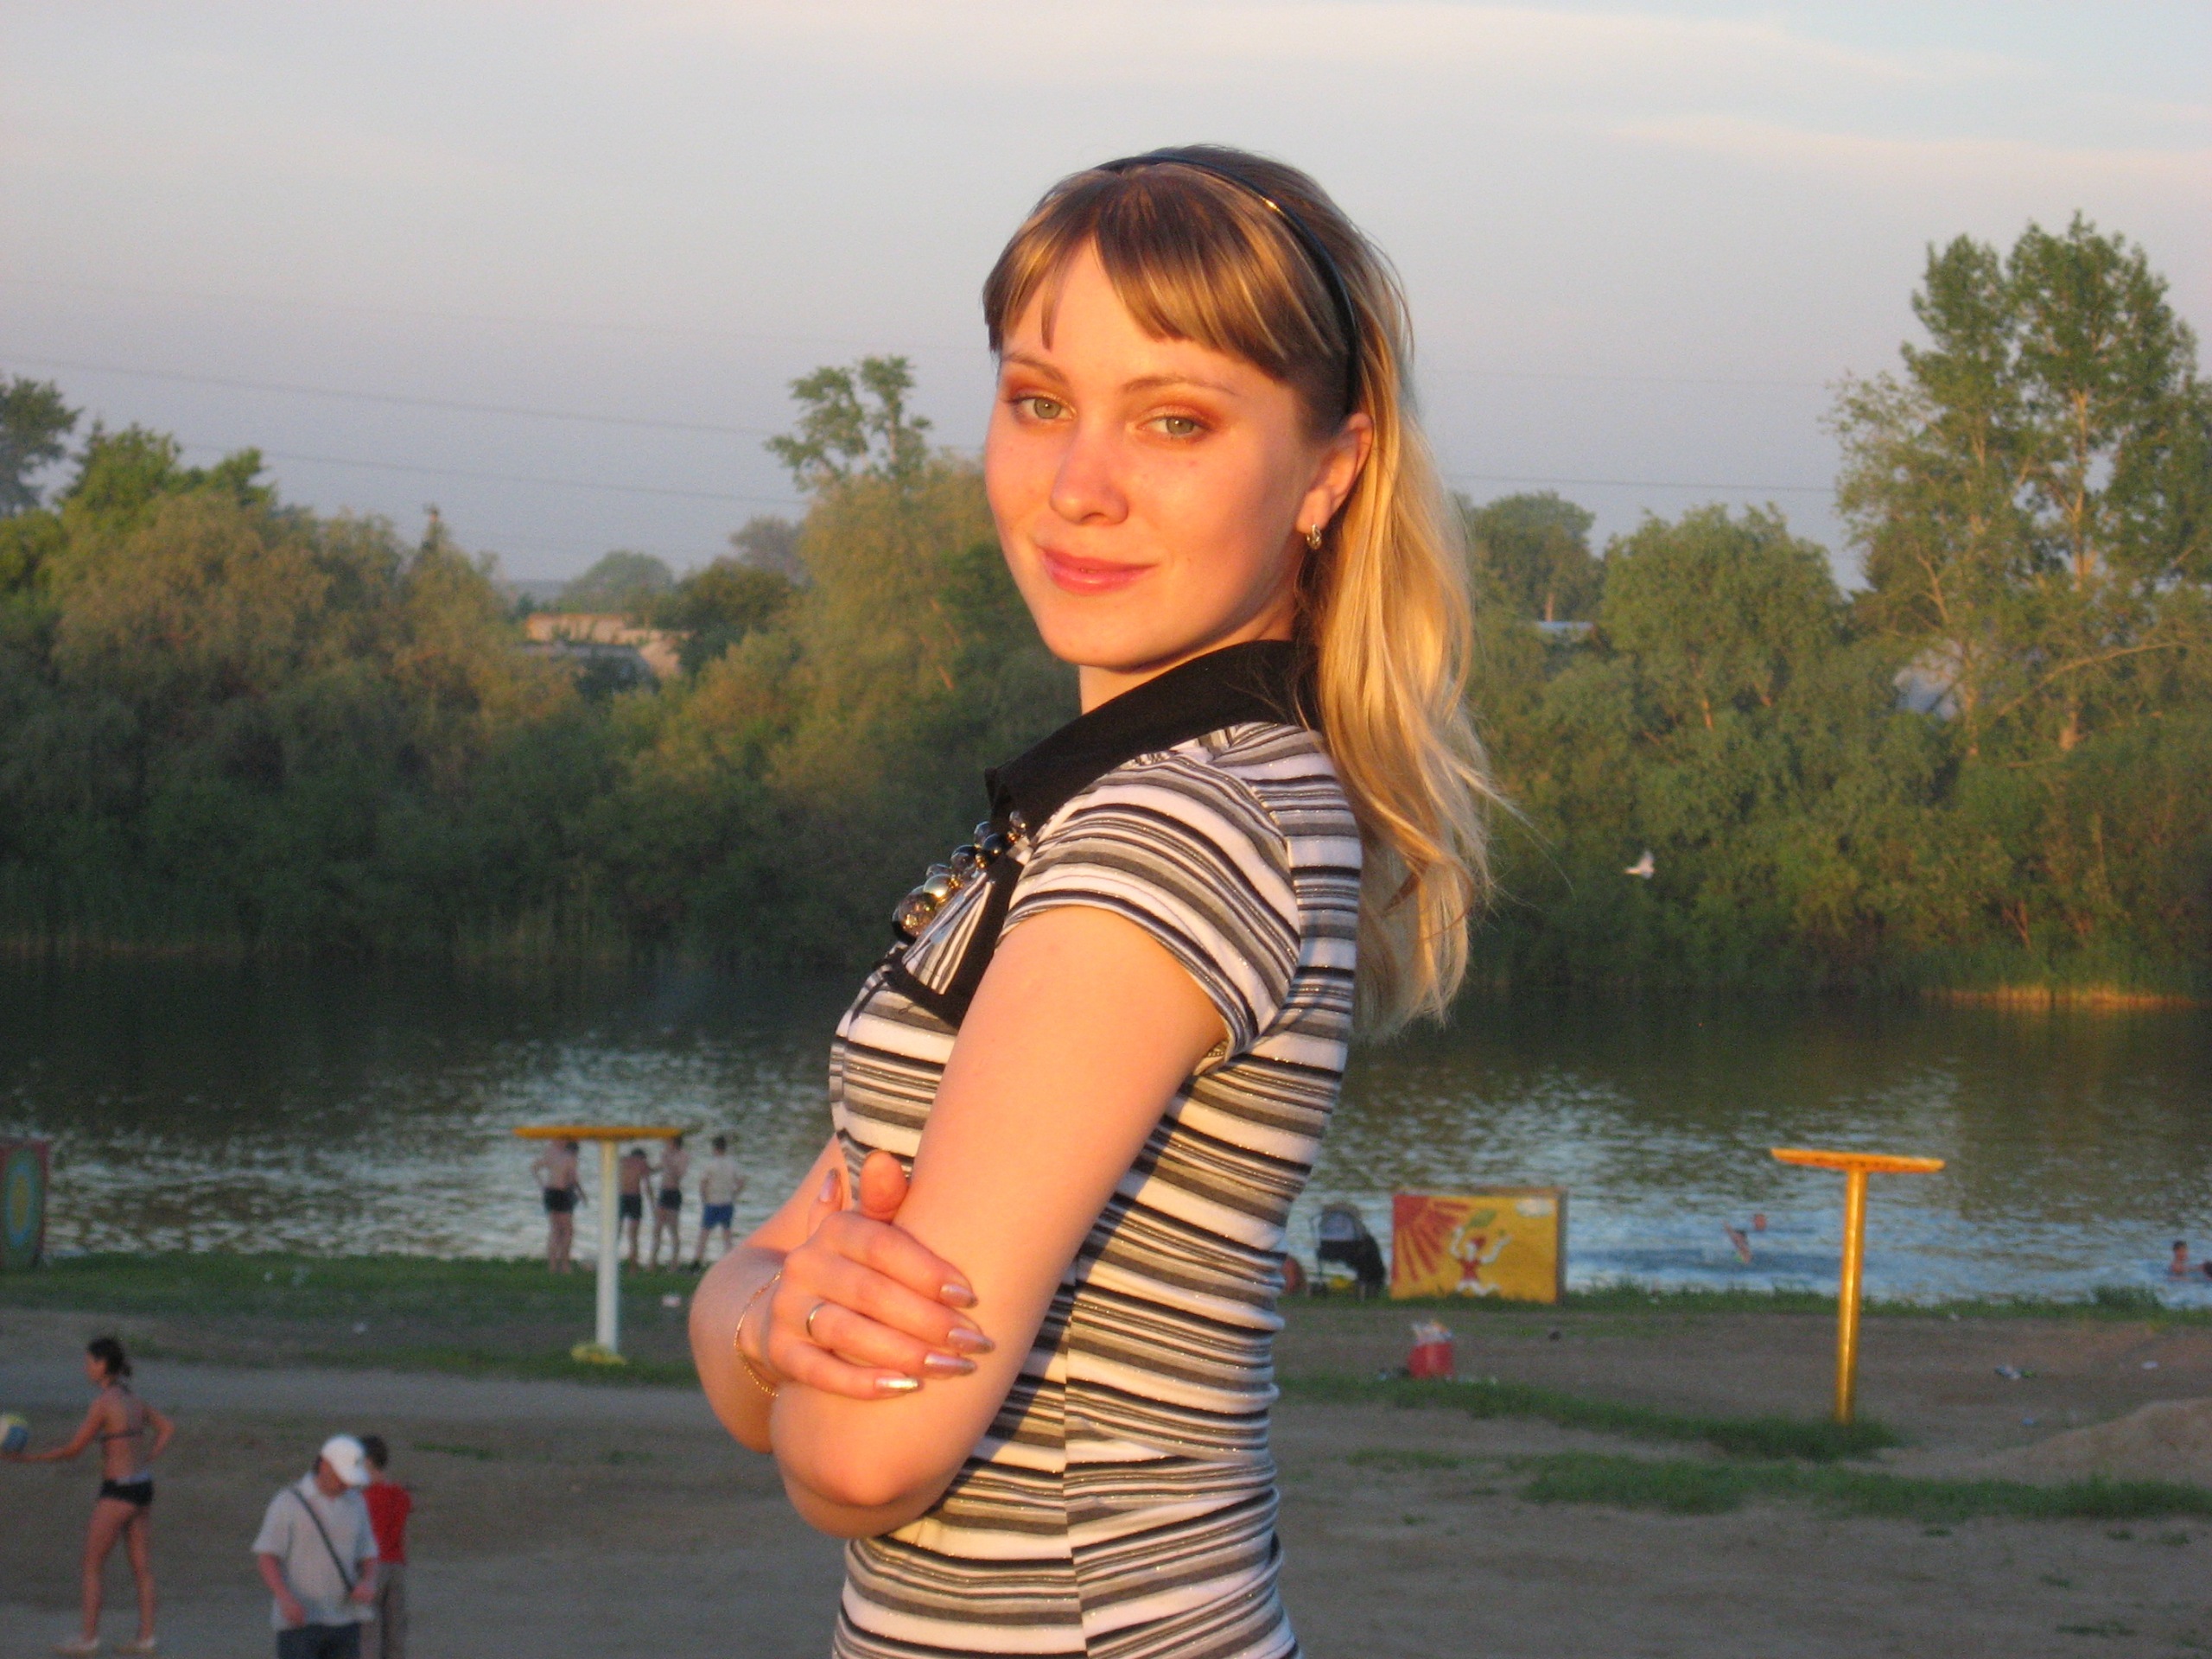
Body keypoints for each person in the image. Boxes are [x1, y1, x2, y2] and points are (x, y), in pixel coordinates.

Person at [690, 146, 1491, 1657]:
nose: (1078, 485)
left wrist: (768, 1339)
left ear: (1330, 470)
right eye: (1041, 401)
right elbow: (769, 1279)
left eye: (1175, 420)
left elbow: (864, 1452)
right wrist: (769, 1320)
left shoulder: (1172, 834)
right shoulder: (1106, 811)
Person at [2, 1335, 173, 1656]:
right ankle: (146, 1638)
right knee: (142, 1568)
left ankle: (88, 1639)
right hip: (142, 1487)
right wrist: (147, 1458)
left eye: (88, 1362)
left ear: (102, 1364)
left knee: (92, 1564)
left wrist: (27, 1459)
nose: (85, 1368)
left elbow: (73, 1450)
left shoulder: (103, 1403)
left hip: (118, 1491)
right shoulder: (133, 1399)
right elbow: (167, 1428)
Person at [252, 1434, 379, 1659]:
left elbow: (368, 1553)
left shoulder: (357, 1503)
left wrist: (368, 1581)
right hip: (300, 1622)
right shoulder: (287, 1502)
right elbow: (267, 1556)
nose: (346, 1484)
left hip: (346, 1620)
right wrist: (284, 1598)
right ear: (324, 1465)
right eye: (342, 1476)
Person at [357, 1436, 411, 1659]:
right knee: (395, 1633)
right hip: (396, 1566)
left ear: (368, 1462)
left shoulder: (364, 1498)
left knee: (368, 1635)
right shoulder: (400, 1495)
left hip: (372, 1567)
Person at [692, 1135, 747, 1269]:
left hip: (712, 1202)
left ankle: (697, 1261)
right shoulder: (732, 1164)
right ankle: (729, 1263)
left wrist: (704, 1199)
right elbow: (741, 1182)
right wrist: (734, 1194)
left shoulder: (710, 1165)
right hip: (727, 1202)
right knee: (727, 1234)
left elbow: (703, 1184)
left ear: (714, 1148)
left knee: (704, 1234)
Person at [530, 1138, 582, 1273]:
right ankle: (565, 1264)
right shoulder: (571, 1158)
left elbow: (534, 1168)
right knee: (568, 1231)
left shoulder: (551, 1155)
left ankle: (552, 1266)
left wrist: (542, 1185)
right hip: (562, 1193)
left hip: (550, 1192)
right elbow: (572, 1179)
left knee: (554, 1230)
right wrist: (580, 1194)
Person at [650, 1134, 688, 1268]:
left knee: (673, 1229)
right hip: (663, 1193)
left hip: (674, 1193)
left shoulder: (683, 1156)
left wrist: (669, 1162)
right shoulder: (666, 1155)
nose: (667, 1144)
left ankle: (674, 1262)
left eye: (669, 1142)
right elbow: (657, 1168)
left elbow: (679, 1175)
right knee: (657, 1228)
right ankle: (653, 1261)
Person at [618, 1146, 652, 1268]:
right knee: (633, 1235)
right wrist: (653, 1205)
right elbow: (647, 1186)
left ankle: (611, 1262)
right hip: (634, 1198)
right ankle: (633, 1267)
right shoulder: (642, 1164)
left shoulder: (622, 1161)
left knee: (617, 1232)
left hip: (622, 1197)